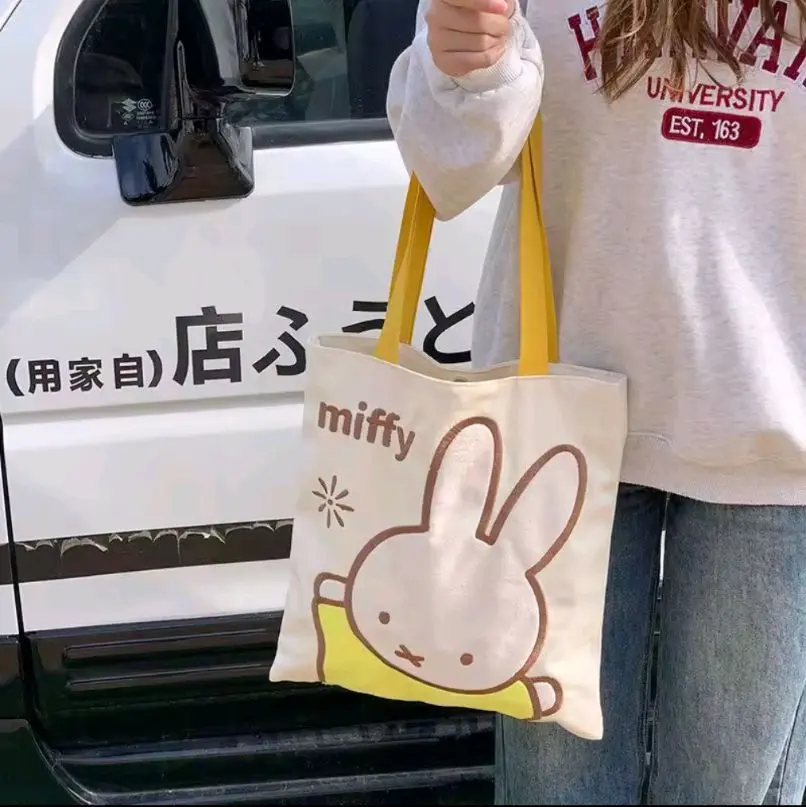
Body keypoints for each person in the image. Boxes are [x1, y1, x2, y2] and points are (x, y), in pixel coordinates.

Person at [386, 0, 806, 803]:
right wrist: (472, 68)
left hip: (777, 434)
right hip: (558, 425)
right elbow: (445, 168)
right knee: (555, 790)